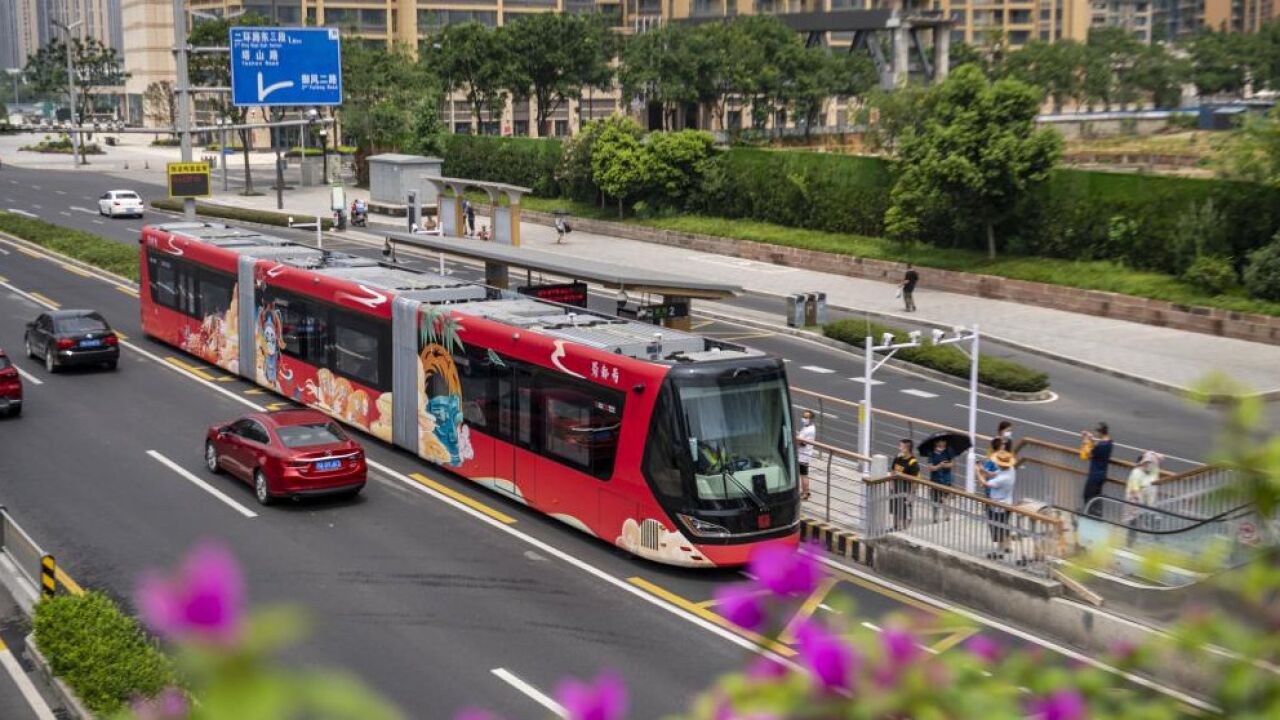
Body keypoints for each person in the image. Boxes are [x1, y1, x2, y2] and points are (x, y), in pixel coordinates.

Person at [978, 446, 1018, 560]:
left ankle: (1001, 550)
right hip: (1007, 503)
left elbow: (985, 483)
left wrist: (978, 472)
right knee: (1004, 525)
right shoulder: (1011, 470)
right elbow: (995, 474)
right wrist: (984, 470)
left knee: (998, 526)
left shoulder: (1003, 479)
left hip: (998, 505)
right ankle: (1006, 546)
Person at [1081, 423, 1114, 517]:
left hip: (1094, 475)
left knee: (1087, 496)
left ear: (1100, 432)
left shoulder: (1101, 446)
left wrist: (1086, 442)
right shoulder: (1109, 442)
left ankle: (1090, 516)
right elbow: (1098, 449)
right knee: (1096, 497)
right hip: (1102, 474)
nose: (1096, 435)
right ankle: (1096, 515)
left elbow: (1089, 454)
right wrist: (1091, 439)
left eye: (1097, 433)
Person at [1124, 451, 1161, 528]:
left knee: (1147, 524)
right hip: (1136, 504)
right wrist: (1139, 503)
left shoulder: (1153, 471)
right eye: (1148, 463)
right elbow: (1135, 490)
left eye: (1151, 463)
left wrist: (1153, 455)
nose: (1150, 465)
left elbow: (1157, 460)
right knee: (1133, 522)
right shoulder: (1136, 473)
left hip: (1147, 504)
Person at [891, 439, 920, 530]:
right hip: (896, 488)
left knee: (905, 511)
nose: (899, 448)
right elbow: (892, 471)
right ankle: (895, 527)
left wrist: (911, 494)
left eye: (901, 447)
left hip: (906, 489)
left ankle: (904, 529)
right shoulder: (897, 458)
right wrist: (891, 485)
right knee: (895, 509)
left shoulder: (913, 463)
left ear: (907, 449)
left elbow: (915, 481)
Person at [925, 438, 954, 521]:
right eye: (941, 441)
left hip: (946, 480)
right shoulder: (931, 453)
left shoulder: (948, 451)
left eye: (944, 441)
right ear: (937, 443)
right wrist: (939, 466)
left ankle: (947, 516)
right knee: (935, 499)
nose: (943, 443)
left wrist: (945, 465)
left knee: (945, 498)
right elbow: (930, 468)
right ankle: (935, 517)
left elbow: (952, 464)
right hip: (935, 480)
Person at [796, 410, 817, 501]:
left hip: (803, 456)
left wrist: (796, 439)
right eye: (803, 417)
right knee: (803, 474)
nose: (804, 419)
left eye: (806, 417)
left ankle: (805, 493)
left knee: (803, 475)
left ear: (811, 419)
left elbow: (802, 442)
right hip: (804, 454)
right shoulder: (808, 427)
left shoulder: (809, 430)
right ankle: (805, 491)